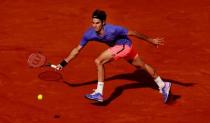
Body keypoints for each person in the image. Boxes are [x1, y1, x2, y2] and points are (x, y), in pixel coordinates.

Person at [56, 9, 171, 103]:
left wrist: (151, 40)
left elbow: (134, 33)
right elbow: (77, 50)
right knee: (142, 66)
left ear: (103, 23)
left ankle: (99, 93)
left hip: (124, 46)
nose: (94, 25)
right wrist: (63, 63)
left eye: (97, 23)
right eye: (93, 23)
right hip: (125, 48)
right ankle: (163, 84)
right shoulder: (89, 33)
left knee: (98, 61)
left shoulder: (114, 29)